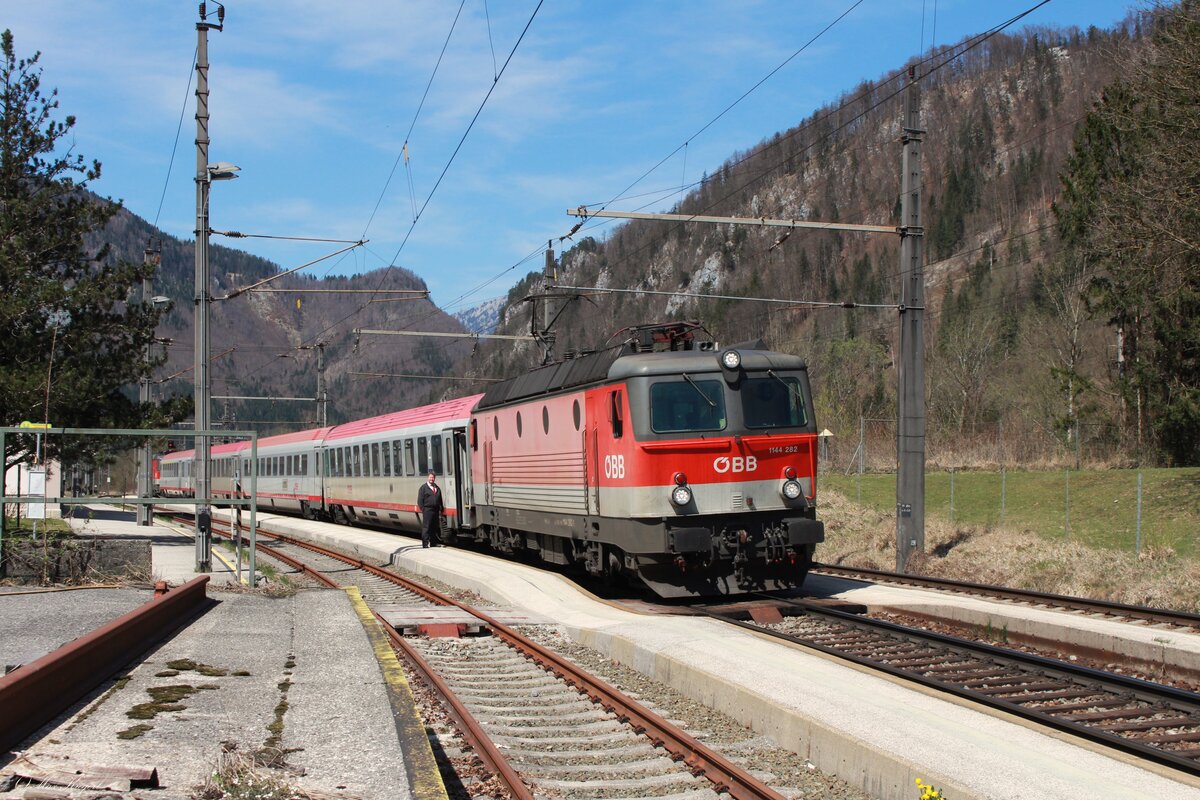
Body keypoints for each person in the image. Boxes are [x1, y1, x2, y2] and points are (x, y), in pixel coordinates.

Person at [416, 470, 444, 548]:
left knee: (434, 527)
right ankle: (425, 544)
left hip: (435, 510)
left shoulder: (437, 488)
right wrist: (423, 509)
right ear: (428, 478)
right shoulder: (423, 488)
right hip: (427, 510)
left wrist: (441, 508)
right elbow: (419, 501)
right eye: (430, 477)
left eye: (433, 477)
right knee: (426, 527)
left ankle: (433, 543)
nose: (432, 479)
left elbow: (440, 499)